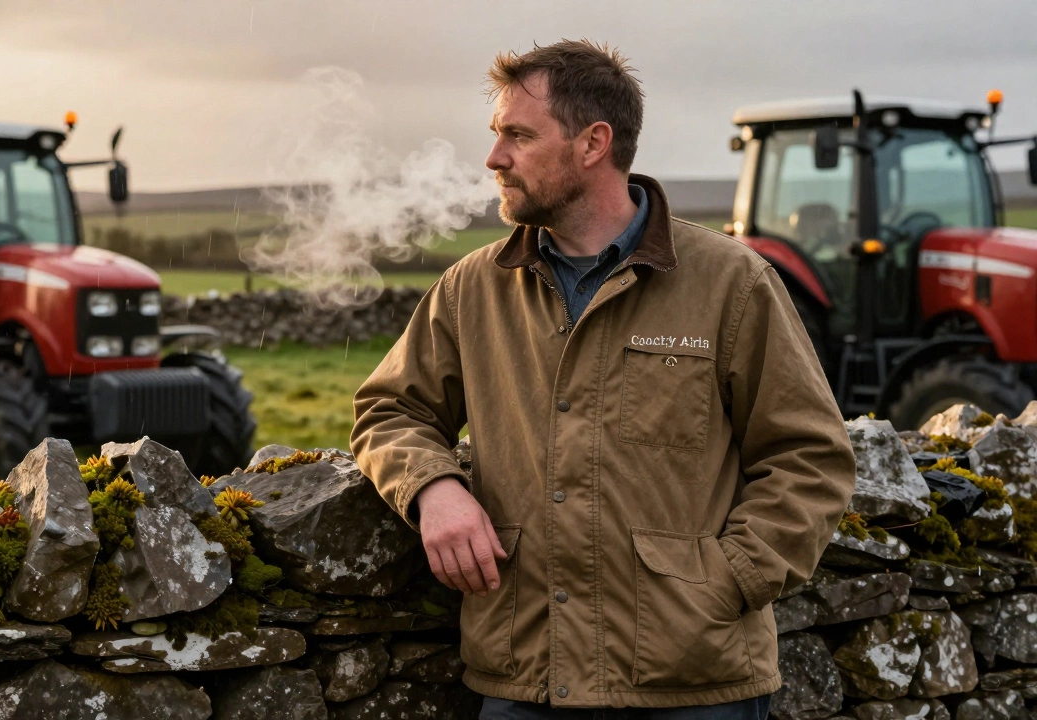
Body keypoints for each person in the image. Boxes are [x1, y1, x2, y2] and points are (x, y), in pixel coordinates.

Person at [351, 39, 856, 719]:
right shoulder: (473, 289)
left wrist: (725, 582)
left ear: (593, 143)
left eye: (518, 136)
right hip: (525, 680)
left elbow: (810, 459)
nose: (494, 158)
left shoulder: (731, 283)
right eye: (496, 136)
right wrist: (432, 489)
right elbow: (389, 411)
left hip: (692, 687)